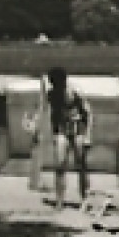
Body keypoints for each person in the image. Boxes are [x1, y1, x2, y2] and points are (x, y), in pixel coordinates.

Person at [43, 66, 93, 208]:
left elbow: (88, 113)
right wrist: (54, 132)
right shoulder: (52, 94)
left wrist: (88, 135)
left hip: (78, 128)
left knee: (81, 165)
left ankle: (84, 198)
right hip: (62, 129)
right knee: (59, 164)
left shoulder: (75, 91)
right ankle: (60, 199)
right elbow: (54, 114)